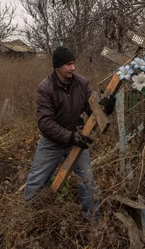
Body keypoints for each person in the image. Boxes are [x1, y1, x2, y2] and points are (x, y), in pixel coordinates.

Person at [22, 46, 116, 223]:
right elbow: (45, 123)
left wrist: (108, 106)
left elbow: (94, 110)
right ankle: (26, 218)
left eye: (73, 64)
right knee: (36, 180)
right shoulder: (45, 88)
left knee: (87, 180)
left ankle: (93, 222)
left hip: (77, 139)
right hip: (52, 142)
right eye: (68, 64)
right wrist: (70, 137)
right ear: (58, 67)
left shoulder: (81, 83)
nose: (73, 68)